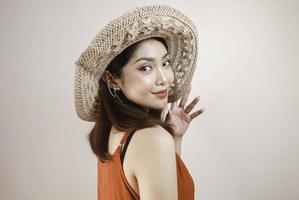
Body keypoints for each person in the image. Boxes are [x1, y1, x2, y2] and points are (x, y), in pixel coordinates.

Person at [74, 4, 205, 200]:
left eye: (165, 63)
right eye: (145, 68)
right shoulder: (152, 139)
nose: (164, 78)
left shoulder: (113, 134)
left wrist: (175, 138)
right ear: (112, 79)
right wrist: (164, 139)